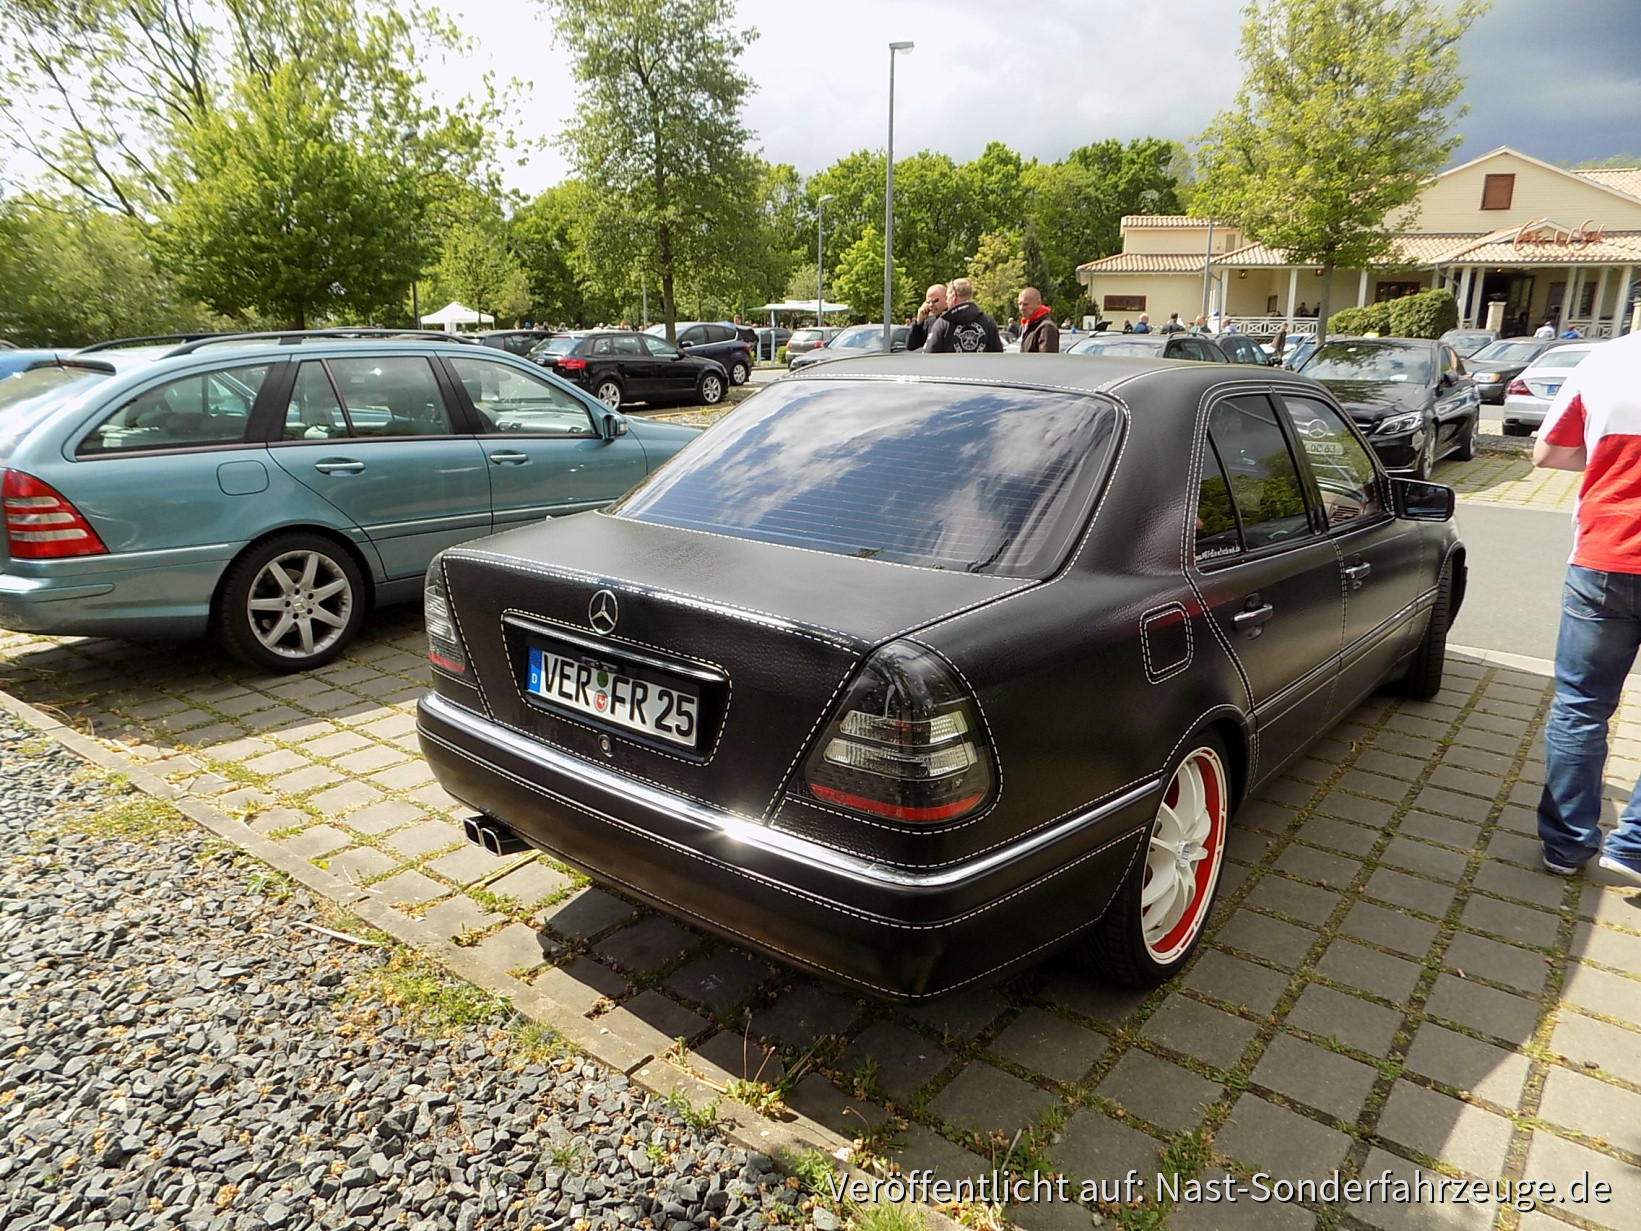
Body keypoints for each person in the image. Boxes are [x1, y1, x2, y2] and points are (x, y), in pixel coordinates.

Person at [1532, 330, 1641, 885]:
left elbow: (1548, 452)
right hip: (1607, 560)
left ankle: (1568, 846)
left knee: (1581, 706)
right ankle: (1636, 844)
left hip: (1605, 561)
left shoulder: (1607, 362)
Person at [921, 278, 1004, 353]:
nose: (946, 301)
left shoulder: (943, 323)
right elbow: (998, 356)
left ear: (953, 296)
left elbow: (928, 355)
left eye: (947, 297)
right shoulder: (988, 322)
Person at [1016, 287, 1060, 353]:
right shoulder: (1030, 325)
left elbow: (1047, 359)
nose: (1021, 308)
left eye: (1025, 304)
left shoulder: (1046, 327)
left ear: (1038, 303)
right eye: (1019, 304)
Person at [907, 283, 948, 351]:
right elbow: (911, 347)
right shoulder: (928, 321)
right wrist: (919, 322)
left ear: (946, 298)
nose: (931, 305)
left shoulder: (954, 319)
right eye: (928, 302)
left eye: (935, 301)